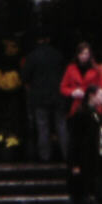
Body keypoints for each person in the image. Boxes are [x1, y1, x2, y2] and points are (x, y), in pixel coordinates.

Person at [22, 33, 68, 162]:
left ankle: (45, 157)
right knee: (61, 126)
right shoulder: (58, 55)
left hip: (39, 97)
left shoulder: (32, 56)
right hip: (58, 96)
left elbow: (25, 77)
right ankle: (66, 155)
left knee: (43, 127)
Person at [60, 41, 102, 116]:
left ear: (90, 55)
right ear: (77, 55)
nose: (83, 56)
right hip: (76, 105)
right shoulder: (70, 68)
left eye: (86, 54)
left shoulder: (98, 69)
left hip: (93, 104)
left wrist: (95, 96)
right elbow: (63, 88)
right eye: (81, 54)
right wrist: (73, 92)